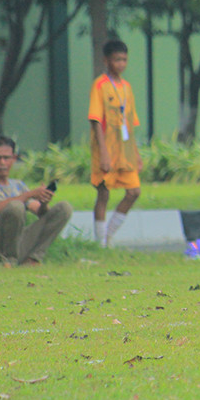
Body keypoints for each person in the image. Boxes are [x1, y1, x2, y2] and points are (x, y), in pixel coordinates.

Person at [0, 135, 72, 266]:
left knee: (64, 208)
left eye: (6, 158)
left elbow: (42, 214)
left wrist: (44, 201)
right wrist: (29, 194)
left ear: (14, 159)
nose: (2, 163)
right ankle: (6, 260)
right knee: (15, 207)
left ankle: (33, 258)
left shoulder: (18, 186)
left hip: (17, 245)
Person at [89, 39, 142, 247]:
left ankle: (109, 235)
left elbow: (131, 122)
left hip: (125, 149)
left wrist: (135, 154)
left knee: (134, 192)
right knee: (104, 193)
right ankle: (100, 242)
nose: (121, 64)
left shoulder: (127, 87)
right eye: (116, 59)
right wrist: (103, 153)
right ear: (106, 60)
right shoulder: (100, 85)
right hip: (106, 148)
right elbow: (95, 120)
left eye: (124, 60)